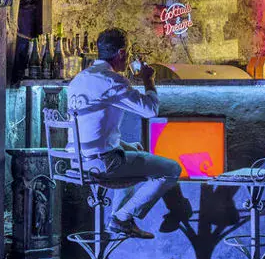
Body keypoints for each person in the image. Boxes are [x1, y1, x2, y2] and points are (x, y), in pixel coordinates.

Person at [65, 27, 181, 238]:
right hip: (102, 164)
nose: (127, 58)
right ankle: (122, 218)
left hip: (77, 160)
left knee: (134, 148)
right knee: (172, 169)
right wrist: (148, 80)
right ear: (121, 53)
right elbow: (150, 110)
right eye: (127, 53)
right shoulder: (112, 81)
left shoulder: (78, 79)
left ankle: (118, 219)